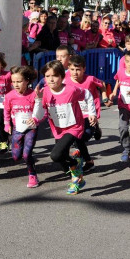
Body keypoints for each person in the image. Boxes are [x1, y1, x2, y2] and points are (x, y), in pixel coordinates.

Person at [36, 60, 96, 195]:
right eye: (47, 76)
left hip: (74, 127)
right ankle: (77, 177)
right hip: (58, 129)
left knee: (55, 155)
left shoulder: (71, 90)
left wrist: (92, 113)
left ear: (62, 77)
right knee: (60, 160)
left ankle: (75, 172)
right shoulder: (44, 92)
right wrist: (39, 101)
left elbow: (87, 95)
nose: (51, 79)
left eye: (55, 76)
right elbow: (40, 114)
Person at [65, 55, 112, 172]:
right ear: (68, 68)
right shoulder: (66, 78)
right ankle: (89, 161)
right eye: (72, 69)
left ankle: (94, 128)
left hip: (89, 112)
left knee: (84, 135)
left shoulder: (90, 79)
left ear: (84, 69)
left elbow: (102, 84)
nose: (75, 73)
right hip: (75, 113)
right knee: (78, 138)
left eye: (78, 69)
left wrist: (105, 97)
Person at [4, 65, 40, 188]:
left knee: (26, 154)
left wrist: (35, 119)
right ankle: (12, 142)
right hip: (17, 128)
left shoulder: (33, 95)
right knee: (16, 157)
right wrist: (7, 124)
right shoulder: (9, 96)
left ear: (27, 80)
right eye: (13, 82)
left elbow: (41, 111)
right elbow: (7, 111)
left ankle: (32, 174)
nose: (16, 84)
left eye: (19, 81)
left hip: (31, 128)